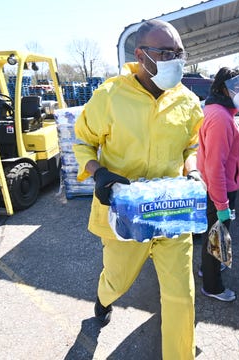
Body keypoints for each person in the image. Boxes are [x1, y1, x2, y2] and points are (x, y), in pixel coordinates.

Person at [73, 19, 204, 359]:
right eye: (165, 53)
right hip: (124, 213)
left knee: (181, 295)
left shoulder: (188, 101)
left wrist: (192, 171)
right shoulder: (109, 96)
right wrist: (98, 172)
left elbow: (193, 146)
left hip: (172, 211)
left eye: (179, 53)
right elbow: (83, 142)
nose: (175, 60)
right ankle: (103, 299)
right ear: (141, 54)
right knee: (118, 280)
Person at [196, 67, 239, 302]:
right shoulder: (220, 117)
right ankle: (213, 287)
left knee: (214, 233)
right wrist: (222, 204)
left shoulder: (217, 110)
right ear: (223, 89)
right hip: (220, 190)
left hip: (217, 188)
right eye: (238, 88)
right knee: (218, 235)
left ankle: (207, 269)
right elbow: (215, 166)